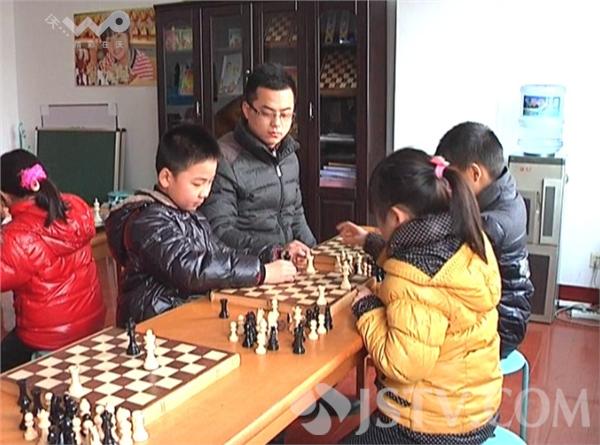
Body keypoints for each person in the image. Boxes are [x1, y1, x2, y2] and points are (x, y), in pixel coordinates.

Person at [338, 149, 502, 444]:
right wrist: (370, 241)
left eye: (380, 220)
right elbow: (406, 253)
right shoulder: (467, 237)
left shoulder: (415, 278)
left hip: (434, 427)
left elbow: (402, 365)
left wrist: (367, 307)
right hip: (476, 406)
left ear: (396, 217)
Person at [105, 124, 297, 326]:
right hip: (152, 325)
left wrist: (271, 254)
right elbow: (191, 269)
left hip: (185, 315)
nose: (205, 193)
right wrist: (261, 273)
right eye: (197, 184)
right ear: (166, 178)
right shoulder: (148, 222)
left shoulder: (192, 216)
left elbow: (222, 253)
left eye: (210, 183)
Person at [435, 121, 533, 358]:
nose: (449, 187)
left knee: (416, 333)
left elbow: (439, 249)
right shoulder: (505, 192)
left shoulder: (493, 223)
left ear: (475, 173)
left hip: (502, 329)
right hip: (505, 314)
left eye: (452, 178)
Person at [1, 150, 105, 372]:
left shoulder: (18, 236)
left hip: (48, 340)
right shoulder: (75, 207)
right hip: (92, 325)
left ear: (4, 197)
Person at [202, 63, 316, 265]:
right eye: (267, 113)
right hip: (249, 268)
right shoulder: (224, 158)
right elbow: (221, 231)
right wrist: (276, 252)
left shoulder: (289, 156)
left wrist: (315, 253)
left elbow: (296, 216)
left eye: (285, 114)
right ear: (247, 110)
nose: (277, 124)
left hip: (288, 264)